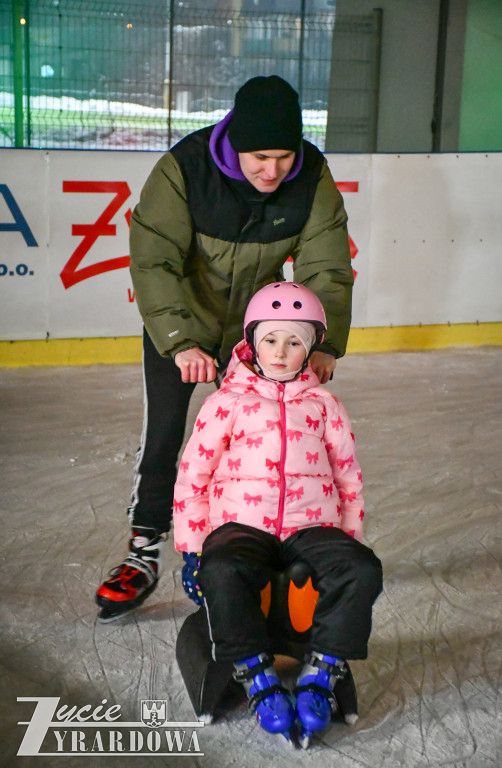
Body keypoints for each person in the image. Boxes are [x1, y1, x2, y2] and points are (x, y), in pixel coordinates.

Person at [95, 75, 355, 622]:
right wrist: (180, 340)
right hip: (181, 321)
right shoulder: (183, 168)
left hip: (255, 335)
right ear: (236, 142)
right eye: (260, 156)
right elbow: (153, 259)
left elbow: (325, 267)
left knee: (264, 438)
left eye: (284, 156)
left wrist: (322, 343)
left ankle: (253, 547)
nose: (273, 171)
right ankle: (143, 553)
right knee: (167, 433)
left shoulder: (312, 177)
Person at [174, 282, 383, 747]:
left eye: (294, 342)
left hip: (312, 525)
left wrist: (350, 538)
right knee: (222, 568)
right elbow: (193, 478)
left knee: (362, 569)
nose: (281, 352)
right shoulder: (226, 403)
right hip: (240, 524)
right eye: (270, 339)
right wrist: (192, 548)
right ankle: (254, 672)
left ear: (309, 349)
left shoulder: (325, 405)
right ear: (252, 342)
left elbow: (348, 478)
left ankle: (322, 669)